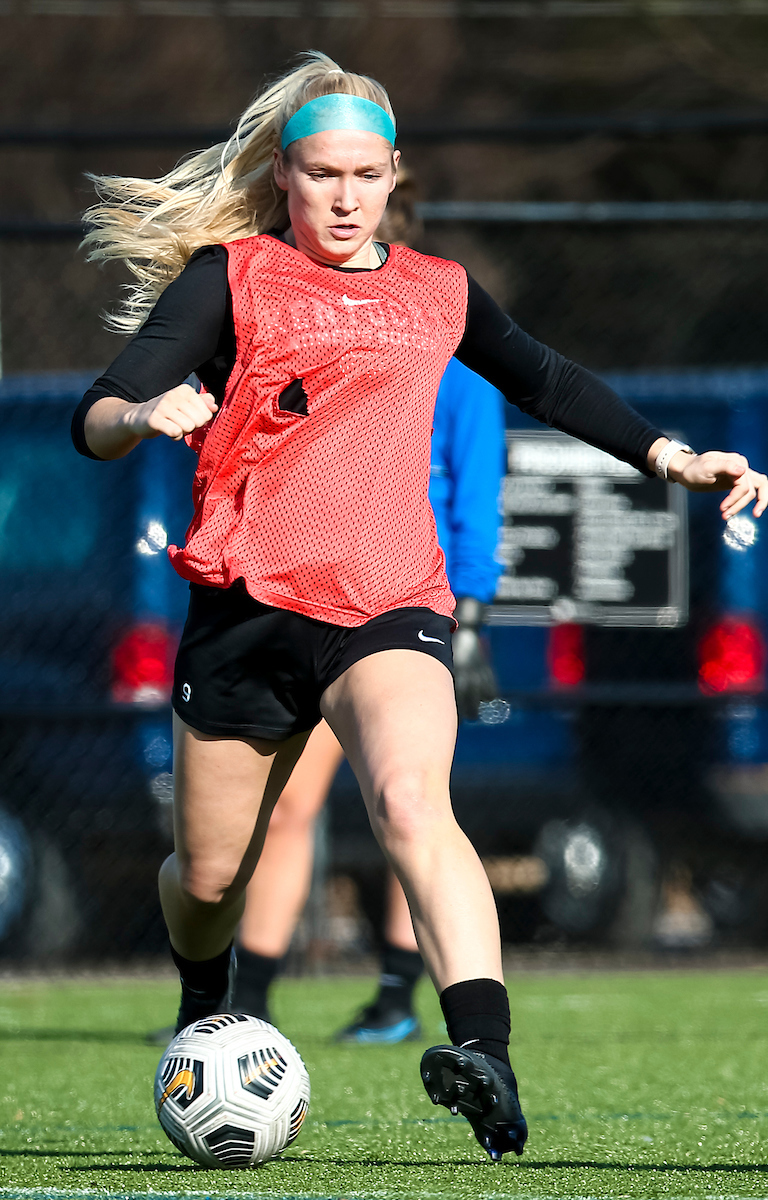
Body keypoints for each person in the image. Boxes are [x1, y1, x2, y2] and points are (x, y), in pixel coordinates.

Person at [72, 51, 768, 1162]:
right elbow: (98, 410)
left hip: (387, 603)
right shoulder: (229, 277)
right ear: (282, 176)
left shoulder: (437, 290)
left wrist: (672, 457)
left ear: (395, 172)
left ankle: (481, 1052)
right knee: (206, 874)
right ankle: (207, 1002)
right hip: (246, 611)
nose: (343, 197)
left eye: (363, 173)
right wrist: (144, 413)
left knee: (410, 803)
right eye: (318, 174)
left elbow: (545, 377)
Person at [228, 168, 505, 1045]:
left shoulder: (453, 351)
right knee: (286, 809)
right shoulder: (293, 336)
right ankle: (247, 1004)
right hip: (305, 598)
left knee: (411, 802)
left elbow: (478, 493)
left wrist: (472, 611)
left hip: (408, 603)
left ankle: (399, 994)